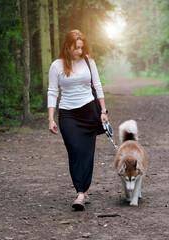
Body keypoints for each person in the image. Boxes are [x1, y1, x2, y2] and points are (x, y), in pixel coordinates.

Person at [47, 29, 108, 211]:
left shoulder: (88, 61)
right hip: (68, 114)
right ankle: (80, 192)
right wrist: (51, 118)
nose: (79, 52)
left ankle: (84, 190)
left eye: (81, 48)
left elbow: (97, 85)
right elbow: (52, 91)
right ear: (67, 47)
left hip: (89, 112)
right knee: (74, 150)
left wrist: (103, 111)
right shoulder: (56, 66)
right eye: (76, 48)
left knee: (87, 153)